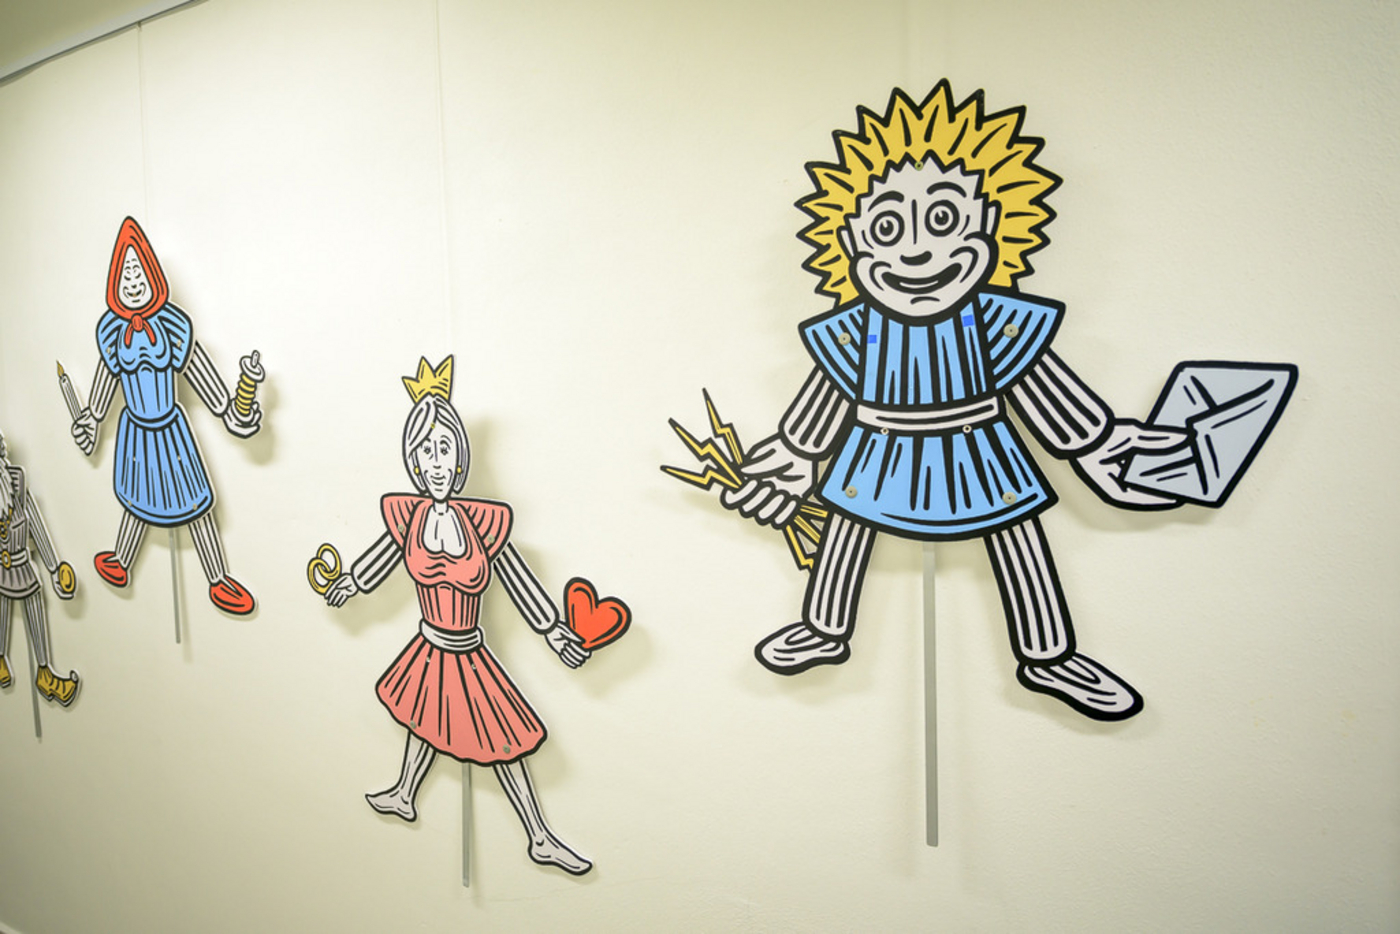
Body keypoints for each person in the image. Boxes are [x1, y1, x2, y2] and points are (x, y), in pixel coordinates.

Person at [723, 83, 1187, 720]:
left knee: (1018, 535)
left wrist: (1103, 446)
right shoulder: (856, 330)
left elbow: (1044, 390)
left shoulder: (998, 322)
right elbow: (825, 401)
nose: (916, 250)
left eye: (941, 219)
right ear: (852, 243)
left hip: (980, 453)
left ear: (989, 224)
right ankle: (824, 627)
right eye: (889, 227)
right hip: (876, 453)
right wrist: (796, 455)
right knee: (846, 525)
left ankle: (1049, 656)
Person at [324, 357, 592, 876]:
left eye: (445, 448)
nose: (437, 462)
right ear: (414, 460)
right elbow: (380, 558)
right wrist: (350, 583)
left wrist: (554, 631)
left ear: (460, 456)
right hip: (429, 644)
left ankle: (539, 836)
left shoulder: (483, 523)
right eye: (427, 451)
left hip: (468, 649)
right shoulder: (409, 517)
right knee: (424, 716)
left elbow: (518, 580)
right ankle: (406, 793)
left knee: (503, 739)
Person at [70, 217, 261, 615]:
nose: (132, 281)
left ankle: (218, 579)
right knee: (136, 498)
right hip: (136, 431)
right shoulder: (112, 332)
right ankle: (121, 561)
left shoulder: (173, 327)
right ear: (115, 282)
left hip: (170, 430)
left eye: (138, 273)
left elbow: (202, 375)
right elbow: (103, 386)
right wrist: (91, 419)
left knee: (194, 501)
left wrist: (230, 412)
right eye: (126, 275)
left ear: (153, 276)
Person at [0, 430, 79, 706]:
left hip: (22, 563)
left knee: (34, 603)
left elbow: (36, 524)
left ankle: (45, 672)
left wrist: (55, 567)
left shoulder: (16, 485)